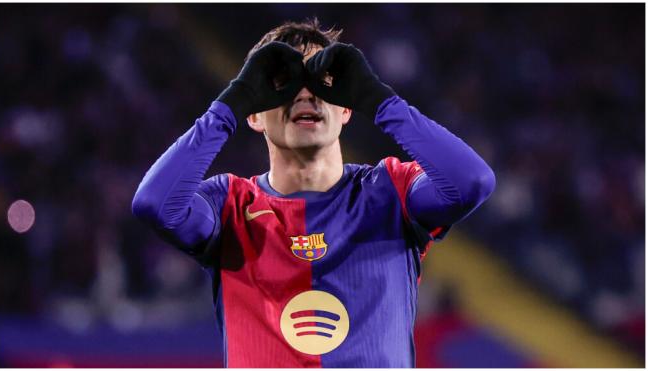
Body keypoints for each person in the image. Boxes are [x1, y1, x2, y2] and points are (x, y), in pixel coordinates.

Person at [132, 18, 495, 368]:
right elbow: (156, 204)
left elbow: (471, 182)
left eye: (324, 82)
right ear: (254, 114)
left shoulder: (391, 192)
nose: (306, 94)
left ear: (346, 107)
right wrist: (229, 105)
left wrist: (380, 100)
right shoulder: (230, 205)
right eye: (282, 83)